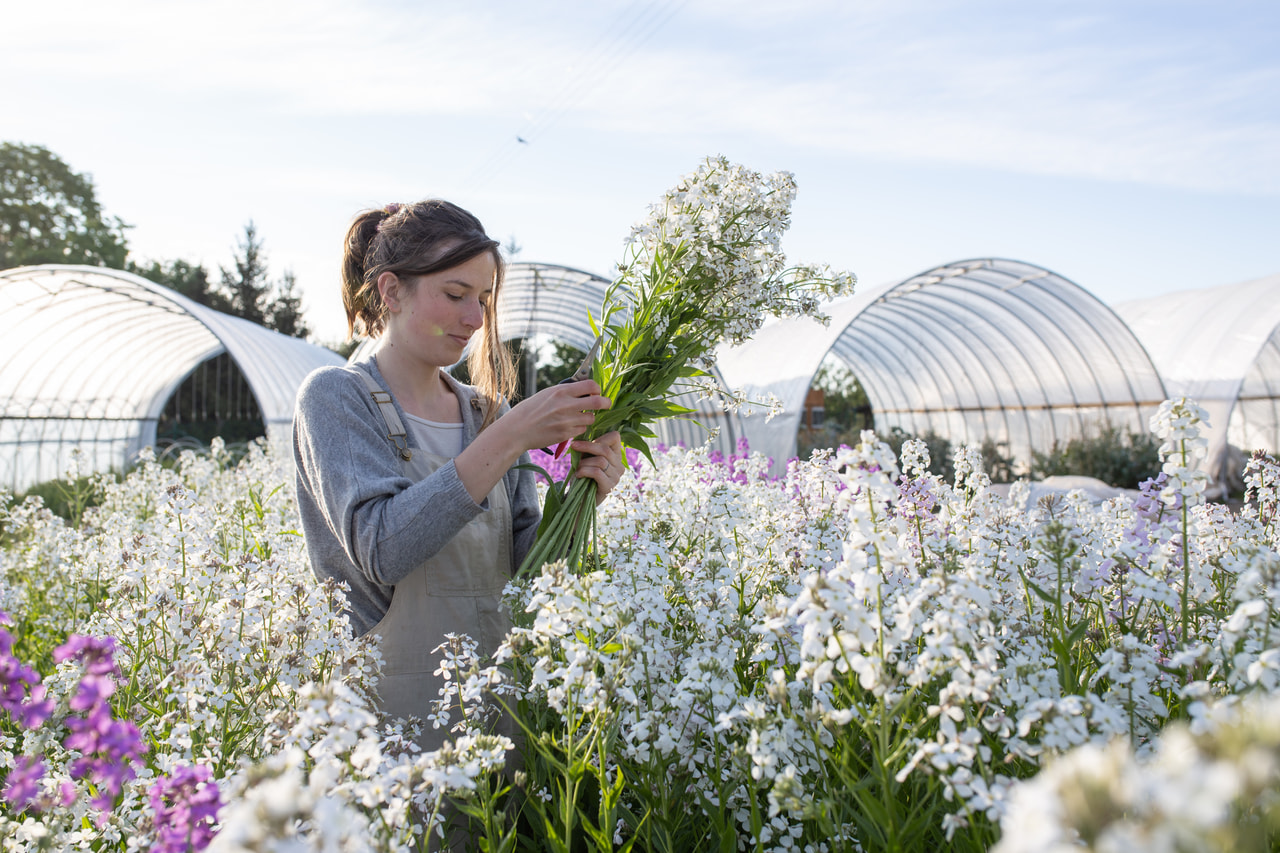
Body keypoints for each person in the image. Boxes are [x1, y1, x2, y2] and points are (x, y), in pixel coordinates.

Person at [292, 199, 623, 756]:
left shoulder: (485, 414)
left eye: (485, 300)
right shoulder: (335, 396)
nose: (475, 319)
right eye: (454, 295)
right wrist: (511, 435)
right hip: (385, 730)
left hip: (497, 716)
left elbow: (526, 578)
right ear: (391, 291)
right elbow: (383, 548)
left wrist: (583, 494)